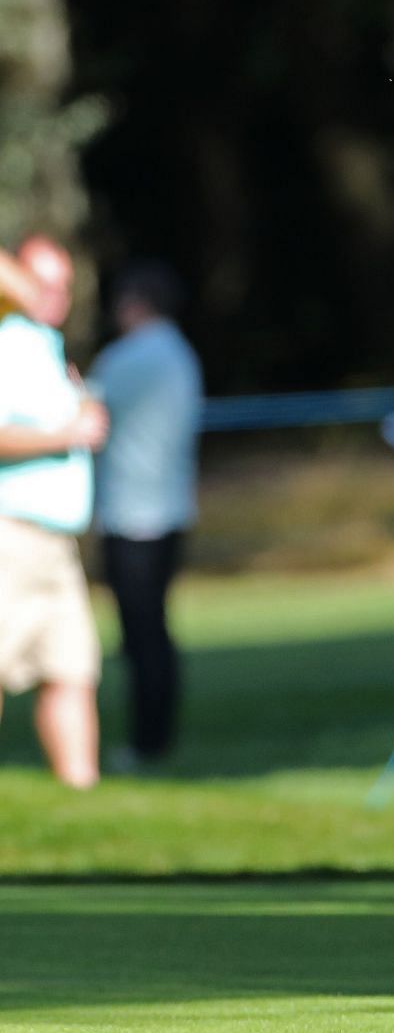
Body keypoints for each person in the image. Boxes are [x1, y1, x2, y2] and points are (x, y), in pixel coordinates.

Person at [0, 237, 108, 789]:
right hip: (10, 535)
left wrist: (84, 410)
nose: (54, 295)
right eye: (42, 282)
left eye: (64, 285)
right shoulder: (7, 342)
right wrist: (64, 434)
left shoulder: (47, 346)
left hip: (57, 541)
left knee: (72, 668)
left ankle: (79, 795)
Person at [88, 261, 203, 765]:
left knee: (142, 635)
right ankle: (158, 736)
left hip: (131, 514)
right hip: (172, 510)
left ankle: (146, 742)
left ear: (136, 304)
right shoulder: (182, 354)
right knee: (155, 628)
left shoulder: (126, 358)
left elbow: (81, 411)